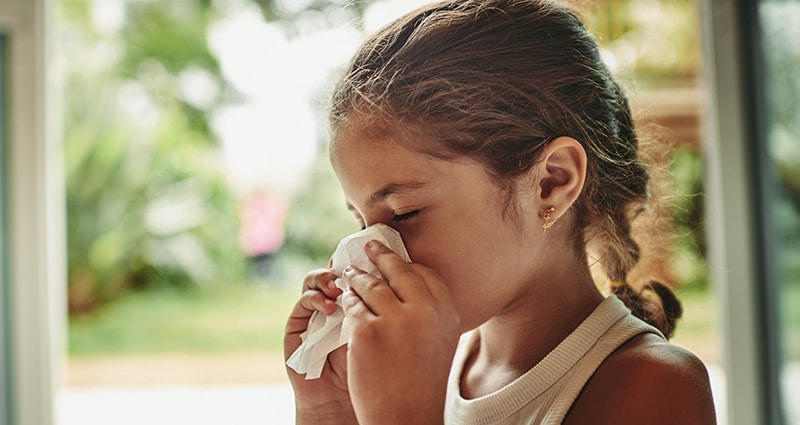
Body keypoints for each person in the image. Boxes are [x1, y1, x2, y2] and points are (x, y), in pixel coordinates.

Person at [284, 0, 717, 423]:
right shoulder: (436, 363)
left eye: (404, 213)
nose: (371, 253)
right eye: (360, 222)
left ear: (552, 183)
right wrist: (331, 412)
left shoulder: (654, 386)